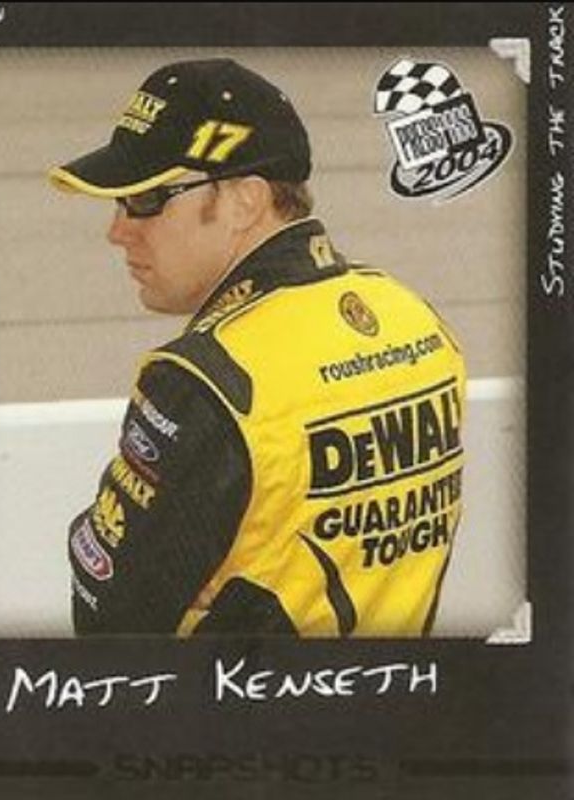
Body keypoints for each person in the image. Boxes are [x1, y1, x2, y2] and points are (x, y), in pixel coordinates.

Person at [50, 57, 466, 637]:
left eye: (147, 198)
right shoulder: (417, 321)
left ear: (245, 200)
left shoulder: (205, 379)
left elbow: (108, 614)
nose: (117, 230)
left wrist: (95, 535)